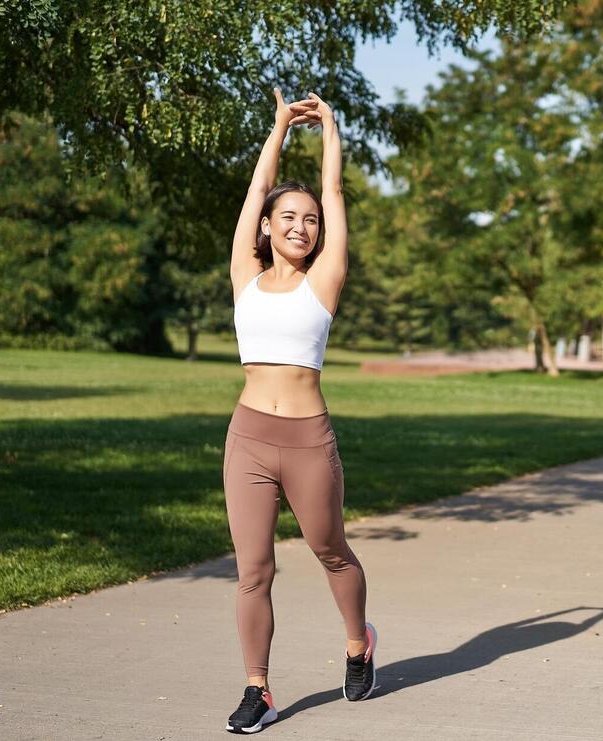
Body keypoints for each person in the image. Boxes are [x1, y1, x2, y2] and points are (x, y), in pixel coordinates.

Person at [221, 88, 374, 734]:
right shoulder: (244, 276)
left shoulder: (324, 279)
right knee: (254, 569)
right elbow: (256, 190)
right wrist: (280, 127)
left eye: (309, 219)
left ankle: (359, 641)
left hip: (308, 439)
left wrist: (332, 127)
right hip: (249, 436)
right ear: (267, 226)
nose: (300, 226)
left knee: (330, 548)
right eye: (289, 216)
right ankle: (258, 687)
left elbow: (335, 195)